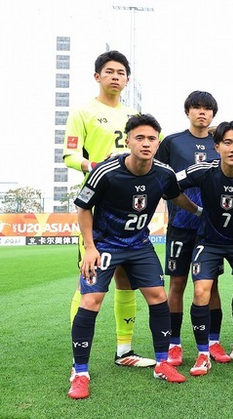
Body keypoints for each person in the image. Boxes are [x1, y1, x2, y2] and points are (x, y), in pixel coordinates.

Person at [68, 114, 199, 399]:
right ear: (128, 141)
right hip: (105, 245)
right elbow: (83, 207)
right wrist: (89, 247)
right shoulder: (106, 172)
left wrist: (199, 212)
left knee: (158, 296)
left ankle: (162, 363)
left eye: (152, 138)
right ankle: (80, 373)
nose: (146, 143)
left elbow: (175, 196)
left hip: (139, 244)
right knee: (91, 300)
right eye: (139, 138)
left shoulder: (164, 173)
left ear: (158, 143)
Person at [63, 50, 154, 368]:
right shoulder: (83, 111)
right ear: (97, 76)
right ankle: (78, 357)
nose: (115, 77)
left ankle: (124, 351)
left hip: (129, 205)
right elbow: (70, 155)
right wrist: (93, 165)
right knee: (88, 279)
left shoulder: (133, 114)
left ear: (127, 79)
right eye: (109, 71)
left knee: (126, 280)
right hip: (98, 204)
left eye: (121, 73)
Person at [176, 121, 233, 375]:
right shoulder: (203, 170)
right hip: (209, 242)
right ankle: (203, 355)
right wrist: (195, 210)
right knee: (200, 291)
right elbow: (170, 186)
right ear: (216, 146)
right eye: (227, 142)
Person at [155, 91, 230, 367]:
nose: (202, 112)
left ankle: (213, 341)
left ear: (213, 114)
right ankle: (174, 344)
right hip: (180, 225)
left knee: (211, 285)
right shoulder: (172, 142)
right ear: (187, 111)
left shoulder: (219, 143)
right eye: (196, 107)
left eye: (207, 109)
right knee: (177, 284)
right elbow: (160, 178)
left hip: (211, 229)